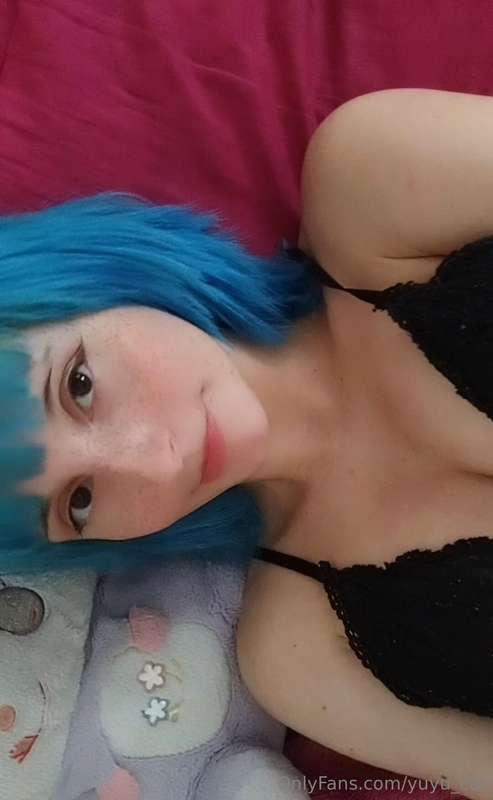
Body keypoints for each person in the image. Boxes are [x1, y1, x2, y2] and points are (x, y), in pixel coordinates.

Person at [2, 88, 493, 798]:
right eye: (79, 502)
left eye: (79, 385)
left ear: (90, 282)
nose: (155, 461)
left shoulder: (372, 184)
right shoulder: (302, 652)